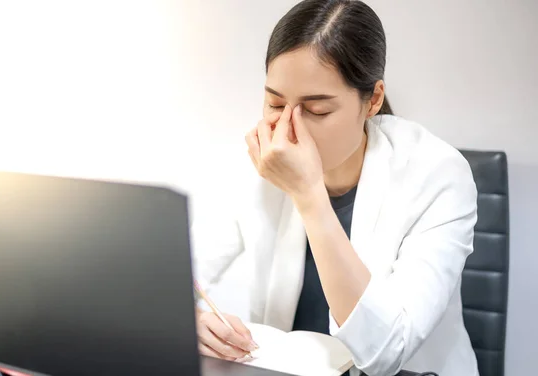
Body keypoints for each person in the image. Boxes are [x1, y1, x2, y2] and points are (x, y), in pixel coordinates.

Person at [191, 1, 479, 375]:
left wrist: (309, 196)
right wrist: (191, 318)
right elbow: (180, 273)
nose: (288, 130)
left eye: (317, 110)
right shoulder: (261, 159)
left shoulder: (439, 175)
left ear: (372, 100)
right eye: (275, 103)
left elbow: (386, 352)